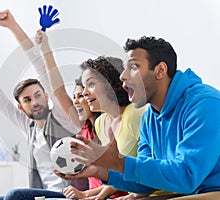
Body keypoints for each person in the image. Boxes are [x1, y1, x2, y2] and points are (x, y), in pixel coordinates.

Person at [0, 9, 89, 200]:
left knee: (14, 195)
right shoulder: (28, 126)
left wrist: (13, 27)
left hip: (67, 193)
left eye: (38, 95)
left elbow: (41, 68)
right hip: (43, 193)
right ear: (21, 107)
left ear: (47, 96)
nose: (35, 102)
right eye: (28, 100)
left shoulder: (61, 117)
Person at [59, 36, 220, 199]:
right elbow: (146, 182)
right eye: (123, 69)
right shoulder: (150, 117)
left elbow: (187, 175)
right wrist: (102, 171)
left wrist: (118, 162)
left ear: (160, 70)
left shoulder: (205, 104)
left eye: (133, 67)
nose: (122, 76)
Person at [36, 30, 147, 199]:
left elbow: (145, 170)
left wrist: (88, 195)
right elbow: (112, 174)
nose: (84, 94)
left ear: (110, 84)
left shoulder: (136, 115)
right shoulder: (101, 122)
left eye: (91, 85)